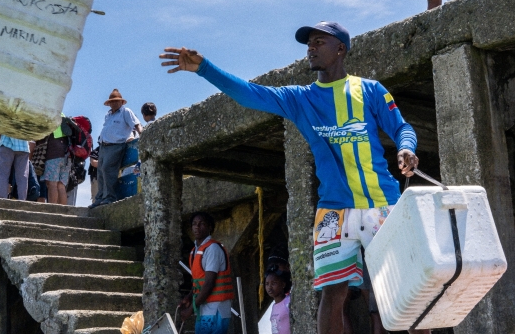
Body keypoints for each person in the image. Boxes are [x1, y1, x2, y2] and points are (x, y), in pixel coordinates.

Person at [160, 21, 422, 334]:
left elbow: (402, 127)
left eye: (319, 42)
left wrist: (406, 148)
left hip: (381, 204)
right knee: (332, 292)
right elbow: (250, 94)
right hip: (334, 211)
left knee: (408, 285)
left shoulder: (370, 90)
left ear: (341, 48)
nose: (310, 48)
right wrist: (204, 68)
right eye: (308, 43)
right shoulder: (301, 98)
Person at [179, 212, 233, 334]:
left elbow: (209, 283)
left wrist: (190, 309)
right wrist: (189, 297)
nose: (197, 227)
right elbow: (200, 282)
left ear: (210, 227)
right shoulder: (195, 251)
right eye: (194, 224)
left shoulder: (213, 249)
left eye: (201, 223)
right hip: (204, 308)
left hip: (216, 308)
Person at [92, 89, 142, 207]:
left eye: (116, 101)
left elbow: (136, 124)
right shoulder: (108, 115)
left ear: (121, 102)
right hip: (103, 146)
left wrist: (142, 135)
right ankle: (100, 198)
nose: (114, 103)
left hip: (116, 145)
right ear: (109, 104)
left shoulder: (126, 112)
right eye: (112, 101)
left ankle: (109, 197)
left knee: (108, 169)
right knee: (100, 171)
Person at [41, 123, 71, 205]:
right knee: (61, 186)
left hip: (53, 156)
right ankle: (62, 210)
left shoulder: (53, 119)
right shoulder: (65, 120)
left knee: (52, 184)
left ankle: (52, 209)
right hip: (67, 157)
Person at [0, 135, 31, 200]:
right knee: (22, 176)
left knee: (3, 174)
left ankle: (1, 200)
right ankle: (22, 200)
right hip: (23, 145)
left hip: (6, 142)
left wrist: (0, 139)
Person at [265, 265, 292, 334]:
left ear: (283, 284)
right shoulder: (274, 306)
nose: (269, 287)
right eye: (267, 284)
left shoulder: (289, 301)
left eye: (273, 283)